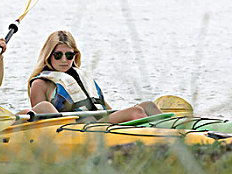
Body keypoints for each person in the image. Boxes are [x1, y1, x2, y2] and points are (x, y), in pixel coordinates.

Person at [28, 30, 162, 123]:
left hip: (100, 122)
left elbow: (106, 109)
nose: (64, 60)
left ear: (75, 55)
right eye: (58, 55)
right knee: (136, 112)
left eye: (69, 55)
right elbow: (38, 123)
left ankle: (176, 137)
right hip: (77, 129)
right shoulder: (40, 84)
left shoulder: (82, 77)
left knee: (149, 105)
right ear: (48, 55)